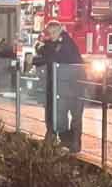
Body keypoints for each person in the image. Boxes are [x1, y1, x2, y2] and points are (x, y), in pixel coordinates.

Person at [33, 18, 84, 151]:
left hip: (73, 85)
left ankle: (73, 144)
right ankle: (66, 142)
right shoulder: (55, 42)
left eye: (54, 33)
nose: (52, 36)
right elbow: (47, 50)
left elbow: (52, 57)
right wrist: (39, 47)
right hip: (65, 85)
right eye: (50, 33)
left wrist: (35, 57)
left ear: (60, 30)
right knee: (62, 114)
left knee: (74, 116)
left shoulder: (65, 43)